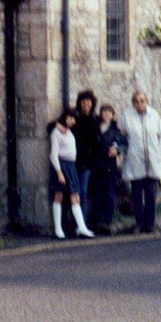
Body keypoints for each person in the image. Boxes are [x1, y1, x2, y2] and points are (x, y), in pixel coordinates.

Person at [120, 91, 161, 233]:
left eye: (142, 100)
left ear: (146, 101)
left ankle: (150, 224)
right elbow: (121, 138)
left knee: (151, 194)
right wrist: (124, 152)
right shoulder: (126, 116)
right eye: (136, 101)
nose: (140, 104)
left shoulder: (154, 115)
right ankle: (139, 223)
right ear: (133, 103)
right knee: (136, 195)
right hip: (135, 161)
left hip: (153, 160)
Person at [48, 110, 95, 239]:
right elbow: (53, 155)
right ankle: (58, 229)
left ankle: (82, 227)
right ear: (65, 117)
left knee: (75, 196)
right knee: (59, 195)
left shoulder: (68, 131)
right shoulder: (56, 133)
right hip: (61, 166)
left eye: (74, 119)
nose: (73, 121)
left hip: (71, 166)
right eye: (70, 118)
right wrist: (59, 173)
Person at [91, 104, 128, 234]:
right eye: (104, 112)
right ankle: (99, 220)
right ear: (101, 114)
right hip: (97, 164)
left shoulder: (115, 129)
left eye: (109, 112)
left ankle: (108, 220)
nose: (106, 114)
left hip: (109, 164)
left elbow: (123, 144)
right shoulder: (96, 127)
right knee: (98, 192)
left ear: (112, 115)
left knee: (109, 192)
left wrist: (116, 150)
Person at [72, 90, 100, 230]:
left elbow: (97, 142)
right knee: (74, 192)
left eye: (88, 101)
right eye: (83, 101)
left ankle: (81, 223)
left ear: (92, 103)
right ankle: (76, 222)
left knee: (83, 192)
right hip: (73, 160)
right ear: (79, 103)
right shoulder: (74, 117)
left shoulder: (95, 120)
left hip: (87, 162)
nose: (85, 104)